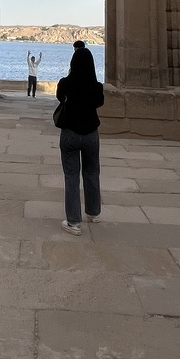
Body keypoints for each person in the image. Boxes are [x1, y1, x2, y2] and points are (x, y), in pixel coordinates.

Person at [55, 45, 104, 234]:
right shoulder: (96, 86)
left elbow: (60, 98)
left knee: (71, 176)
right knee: (92, 172)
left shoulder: (65, 83)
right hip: (91, 132)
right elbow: (99, 102)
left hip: (70, 132)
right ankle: (93, 212)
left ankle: (74, 222)